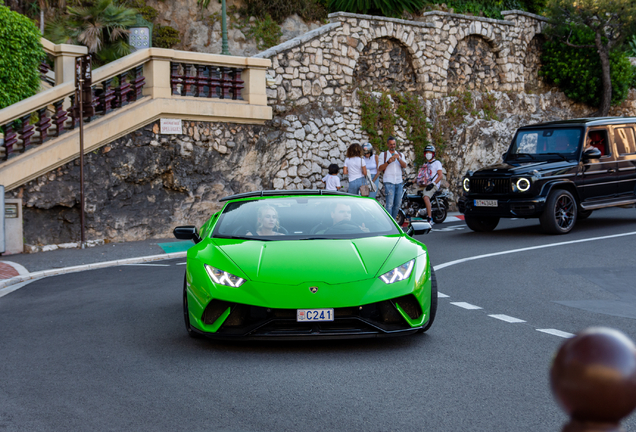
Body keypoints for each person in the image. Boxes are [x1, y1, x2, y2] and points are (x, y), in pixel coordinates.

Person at [377, 136, 407, 219]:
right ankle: (389, 222)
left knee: (397, 205)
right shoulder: (383, 155)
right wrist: (388, 162)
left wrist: (399, 159)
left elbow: (405, 166)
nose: (392, 146)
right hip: (389, 181)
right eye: (391, 144)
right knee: (389, 204)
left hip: (399, 182)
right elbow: (379, 168)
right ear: (387, 144)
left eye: (394, 144)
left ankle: (393, 222)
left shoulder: (400, 154)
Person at [416, 144, 443, 223]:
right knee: (413, 194)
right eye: (427, 152)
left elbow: (440, 175)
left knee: (426, 197)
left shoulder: (437, 163)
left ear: (433, 154)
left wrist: (433, 184)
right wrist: (412, 181)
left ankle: (429, 218)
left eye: (430, 152)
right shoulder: (425, 164)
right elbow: (421, 175)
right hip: (425, 184)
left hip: (433, 185)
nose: (428, 154)